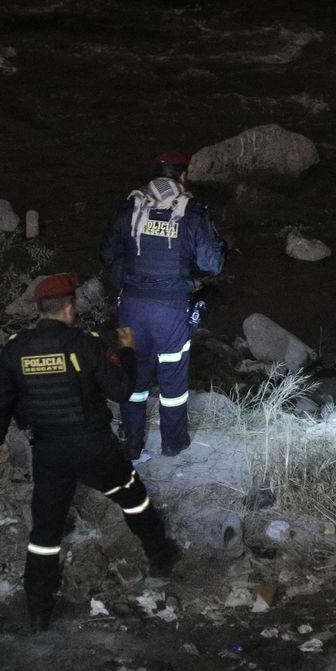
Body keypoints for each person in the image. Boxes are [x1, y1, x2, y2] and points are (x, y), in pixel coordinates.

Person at [0, 273, 182, 630]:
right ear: (70, 306)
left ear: (40, 309)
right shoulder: (85, 343)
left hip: (49, 451)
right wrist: (126, 351)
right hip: (94, 447)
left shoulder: (17, 347)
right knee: (133, 498)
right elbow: (122, 390)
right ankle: (161, 556)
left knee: (45, 532)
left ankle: (38, 609)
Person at [99, 150, 226, 460]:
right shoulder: (193, 212)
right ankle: (173, 443)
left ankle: (131, 443)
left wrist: (129, 278)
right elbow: (213, 265)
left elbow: (106, 255)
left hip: (131, 307)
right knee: (172, 377)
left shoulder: (130, 207)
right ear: (182, 176)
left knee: (133, 373)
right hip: (171, 310)